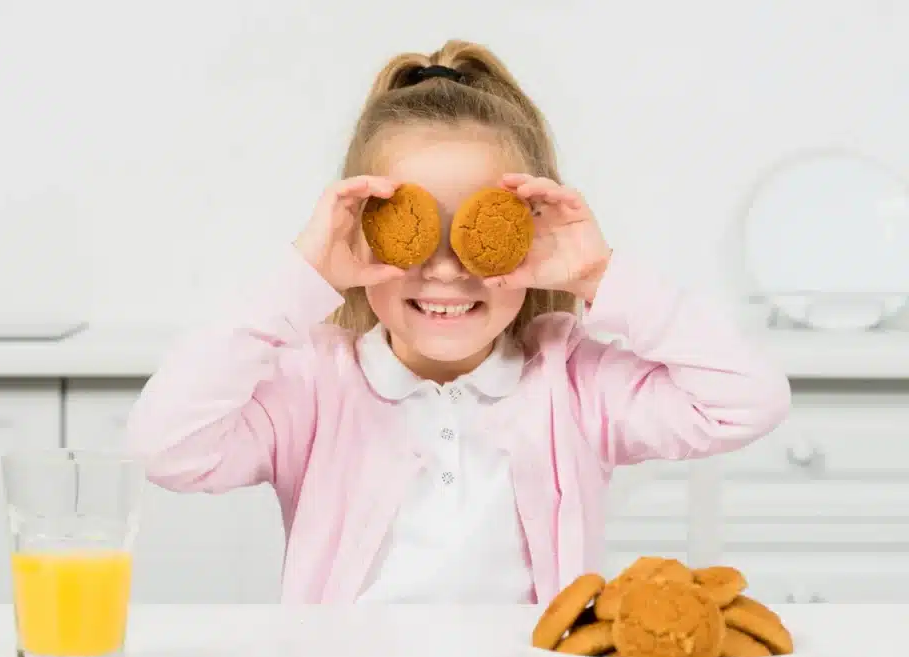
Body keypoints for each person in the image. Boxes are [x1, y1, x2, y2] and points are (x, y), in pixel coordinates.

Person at [124, 39, 790, 605]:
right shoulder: (315, 386)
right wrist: (301, 278)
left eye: (476, 237)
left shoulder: (573, 385)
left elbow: (748, 401)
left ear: (526, 233)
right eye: (412, 236)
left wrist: (599, 275)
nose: (445, 270)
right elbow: (166, 447)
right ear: (361, 233)